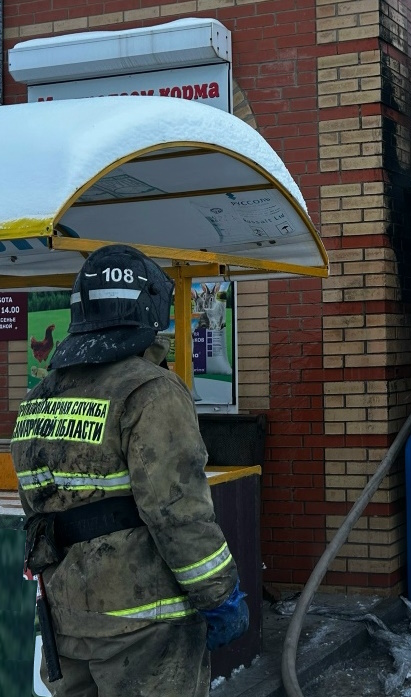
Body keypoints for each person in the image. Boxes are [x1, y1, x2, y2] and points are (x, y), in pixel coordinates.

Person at [11, 244, 249, 696]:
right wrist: (220, 596)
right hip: (145, 625)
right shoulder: (150, 391)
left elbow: (37, 509)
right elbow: (176, 511)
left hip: (68, 620)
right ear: (151, 309)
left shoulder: (38, 398)